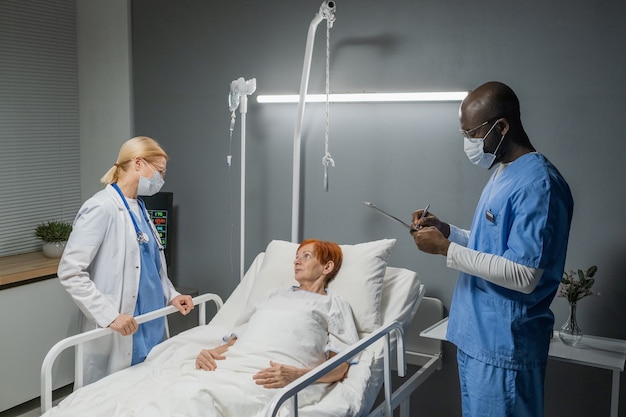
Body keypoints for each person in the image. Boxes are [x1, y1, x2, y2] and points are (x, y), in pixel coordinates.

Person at [46, 239, 360, 417]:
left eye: (306, 256)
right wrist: (212, 351)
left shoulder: (333, 304)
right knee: (175, 391)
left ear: (328, 267)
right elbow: (239, 336)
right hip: (231, 364)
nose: (296, 261)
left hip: (270, 374)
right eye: (295, 256)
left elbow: (341, 364)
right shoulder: (272, 295)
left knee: (193, 397)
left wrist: (296, 375)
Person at [411, 81, 573, 417]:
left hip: (505, 347)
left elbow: (524, 274)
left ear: (501, 127)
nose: (468, 142)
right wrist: (447, 232)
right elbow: (489, 245)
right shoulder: (503, 172)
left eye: (471, 133)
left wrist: (445, 251)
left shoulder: (538, 184)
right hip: (478, 341)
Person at [58, 136, 194, 385]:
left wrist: (171, 294)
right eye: (159, 171)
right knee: (113, 399)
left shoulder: (139, 207)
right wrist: (109, 315)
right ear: (138, 164)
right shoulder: (100, 208)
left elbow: (151, 268)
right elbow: (70, 271)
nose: (161, 180)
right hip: (120, 326)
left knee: (148, 394)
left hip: (149, 323)